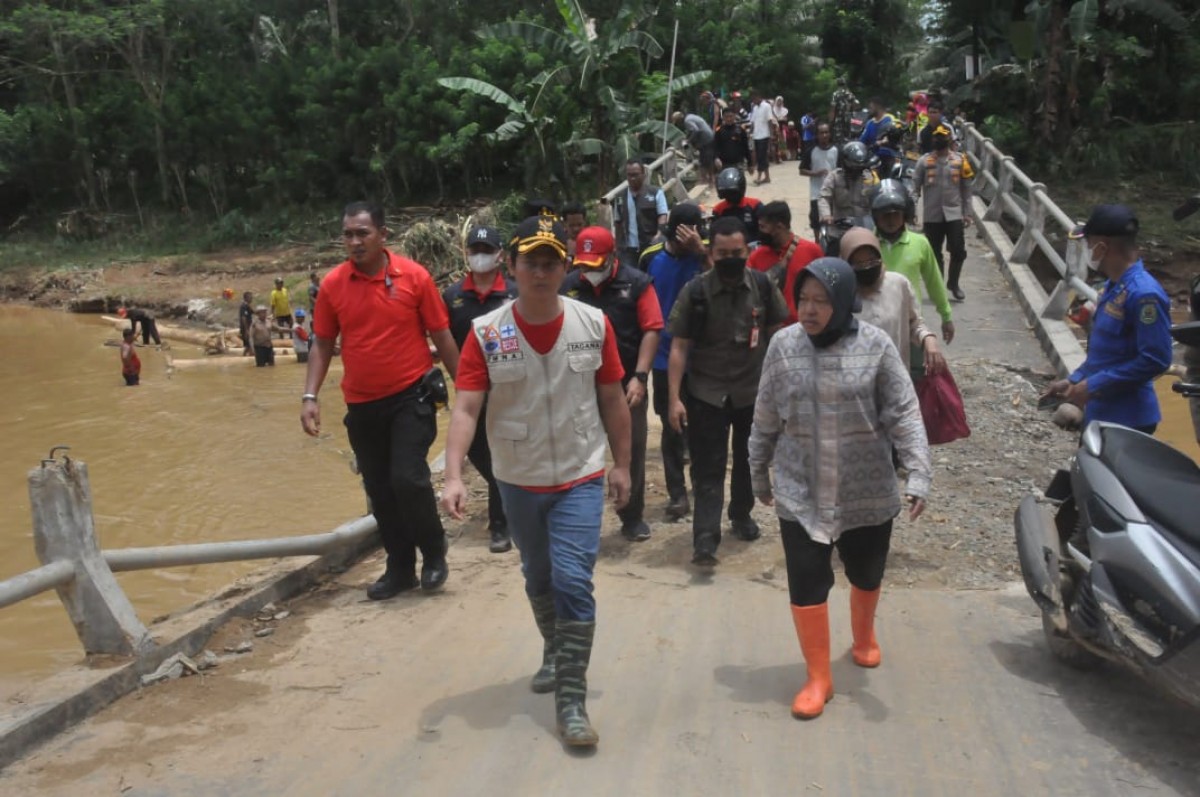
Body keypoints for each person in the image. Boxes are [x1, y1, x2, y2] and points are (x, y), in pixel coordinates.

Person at [440, 215, 632, 749]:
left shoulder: (593, 324)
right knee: (538, 576)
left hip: (579, 473)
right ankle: (554, 648)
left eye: (551, 263)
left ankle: (571, 699)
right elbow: (466, 408)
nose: (542, 272)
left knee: (574, 581)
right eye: (532, 263)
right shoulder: (487, 333)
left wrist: (623, 465)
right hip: (518, 479)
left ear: (565, 268)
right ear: (513, 268)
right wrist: (454, 475)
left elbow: (614, 399)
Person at [748, 257, 931, 720]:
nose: (808, 310)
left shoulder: (877, 346)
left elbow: (904, 412)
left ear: (846, 301)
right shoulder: (782, 346)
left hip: (864, 488)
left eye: (821, 301)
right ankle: (818, 676)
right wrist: (756, 468)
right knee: (807, 581)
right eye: (803, 299)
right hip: (799, 489)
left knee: (866, 572)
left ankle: (864, 636)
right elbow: (766, 413)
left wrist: (918, 471)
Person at [302, 201, 460, 601]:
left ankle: (434, 552)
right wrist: (310, 396)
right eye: (348, 234)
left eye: (362, 233)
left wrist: (467, 391)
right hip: (362, 404)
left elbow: (441, 336)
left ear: (382, 235)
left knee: (408, 478)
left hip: (411, 396)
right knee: (380, 488)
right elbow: (322, 342)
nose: (354, 242)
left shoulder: (414, 277)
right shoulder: (334, 286)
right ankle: (400, 567)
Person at [667, 217, 790, 566]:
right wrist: (674, 399)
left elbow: (779, 339)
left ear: (747, 251)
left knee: (751, 461)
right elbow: (678, 347)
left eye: (737, 252)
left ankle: (741, 514)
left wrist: (782, 389)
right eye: (722, 253)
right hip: (707, 393)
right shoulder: (696, 291)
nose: (730, 259)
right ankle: (705, 538)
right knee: (708, 466)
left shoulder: (764, 287)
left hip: (754, 392)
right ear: (711, 251)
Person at [564, 225, 662, 541]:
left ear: (612, 256)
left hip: (625, 385)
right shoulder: (567, 287)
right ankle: (579, 516)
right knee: (579, 451)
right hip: (580, 383)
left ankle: (631, 515)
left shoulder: (637, 284)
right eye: (583, 265)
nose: (588, 272)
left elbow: (651, 329)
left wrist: (640, 377)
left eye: (595, 265)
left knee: (629, 449)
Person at [1042, 205, 1172, 434]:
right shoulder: (1114, 285)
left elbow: (1156, 359)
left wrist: (1094, 384)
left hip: (1128, 418)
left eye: (1088, 244)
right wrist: (1075, 380)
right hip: (1100, 410)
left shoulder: (1144, 295)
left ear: (1102, 247)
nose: (1087, 251)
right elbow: (1106, 353)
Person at [441, 224, 515, 554]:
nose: (480, 256)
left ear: (500, 255)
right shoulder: (452, 297)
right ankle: (508, 503)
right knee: (480, 453)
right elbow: (441, 339)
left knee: (504, 454)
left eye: (487, 250)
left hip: (510, 389)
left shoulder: (514, 295)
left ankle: (501, 524)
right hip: (469, 388)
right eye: (475, 250)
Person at [645, 203, 708, 521]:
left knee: (702, 426)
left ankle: (701, 485)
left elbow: (722, 281)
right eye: (693, 229)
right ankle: (677, 494)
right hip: (662, 357)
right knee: (672, 430)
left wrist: (701, 252)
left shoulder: (704, 255)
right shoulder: (651, 258)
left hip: (700, 357)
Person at [839, 227, 946, 376]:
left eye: (871, 261)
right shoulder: (839, 293)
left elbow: (914, 323)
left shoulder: (898, 284)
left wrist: (928, 338)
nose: (866, 268)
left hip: (896, 379)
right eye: (858, 263)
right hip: (855, 383)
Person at [871, 185, 955, 365]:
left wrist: (946, 316)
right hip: (874, 325)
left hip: (911, 325)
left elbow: (934, 282)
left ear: (905, 215)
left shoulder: (920, 243)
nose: (890, 220)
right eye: (884, 214)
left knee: (914, 378)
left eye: (895, 214)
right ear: (875, 216)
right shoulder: (866, 245)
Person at [912, 124, 975, 301]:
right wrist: (912, 209)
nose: (939, 141)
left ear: (949, 141)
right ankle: (938, 285)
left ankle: (953, 283)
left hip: (954, 213)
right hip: (932, 214)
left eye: (942, 138)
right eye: (936, 138)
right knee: (934, 252)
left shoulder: (960, 160)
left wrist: (967, 213)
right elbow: (915, 187)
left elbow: (967, 189)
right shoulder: (923, 161)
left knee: (958, 250)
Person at [749, 201, 825, 324]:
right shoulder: (756, 257)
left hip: (805, 326)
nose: (760, 231)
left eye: (763, 227)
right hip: (770, 329)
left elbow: (828, 284)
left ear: (779, 227)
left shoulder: (812, 251)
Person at [611, 160, 668, 271]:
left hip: (650, 245)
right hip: (628, 249)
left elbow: (663, 216)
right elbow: (618, 222)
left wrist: (659, 234)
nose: (632, 178)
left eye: (635, 175)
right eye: (629, 175)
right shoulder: (619, 197)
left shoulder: (656, 193)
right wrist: (617, 246)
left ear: (643, 174)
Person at [819, 140, 879, 230]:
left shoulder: (870, 178)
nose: (857, 170)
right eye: (854, 167)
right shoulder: (834, 176)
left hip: (865, 228)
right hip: (840, 228)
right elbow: (824, 197)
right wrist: (826, 215)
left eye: (860, 167)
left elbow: (879, 196)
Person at [801, 123, 838, 238]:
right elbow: (802, 170)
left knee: (834, 219)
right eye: (821, 133)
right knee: (815, 220)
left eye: (826, 132)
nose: (824, 135)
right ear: (817, 135)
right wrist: (815, 173)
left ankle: (832, 240)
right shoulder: (811, 151)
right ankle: (817, 242)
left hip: (833, 192)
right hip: (816, 192)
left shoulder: (836, 150)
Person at [712, 167, 762, 245]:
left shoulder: (755, 205)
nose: (730, 197)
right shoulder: (718, 210)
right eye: (727, 194)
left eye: (732, 193)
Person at [673, 111, 716, 190]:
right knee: (707, 159)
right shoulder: (690, 116)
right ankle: (708, 179)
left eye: (678, 121)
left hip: (705, 139)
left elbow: (695, 130)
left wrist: (688, 140)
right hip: (709, 137)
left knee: (705, 160)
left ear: (679, 119)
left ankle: (707, 180)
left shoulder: (687, 121)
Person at [714, 107, 752, 171]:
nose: (729, 119)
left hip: (739, 164)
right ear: (723, 117)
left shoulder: (740, 130)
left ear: (734, 116)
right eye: (726, 117)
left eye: (731, 116)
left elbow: (746, 147)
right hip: (724, 165)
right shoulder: (719, 131)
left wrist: (750, 164)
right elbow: (715, 147)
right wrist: (716, 158)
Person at [749, 90, 775, 185]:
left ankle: (759, 177)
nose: (753, 101)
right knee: (763, 157)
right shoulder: (755, 108)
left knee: (761, 157)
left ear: (758, 96)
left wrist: (771, 135)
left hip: (764, 135)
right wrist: (750, 132)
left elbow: (770, 121)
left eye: (754, 98)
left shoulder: (766, 106)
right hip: (757, 135)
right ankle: (767, 177)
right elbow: (753, 121)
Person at [829, 77, 861, 145]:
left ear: (838, 84)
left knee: (838, 140)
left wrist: (831, 122)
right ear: (844, 84)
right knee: (848, 139)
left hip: (838, 120)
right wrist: (851, 111)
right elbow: (857, 104)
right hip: (848, 119)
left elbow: (833, 109)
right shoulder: (850, 94)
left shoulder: (836, 94)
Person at [238, 291, 255, 356]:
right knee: (249, 345)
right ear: (246, 298)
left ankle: (246, 356)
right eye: (250, 297)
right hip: (246, 328)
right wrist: (246, 330)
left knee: (248, 345)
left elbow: (254, 312)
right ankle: (247, 357)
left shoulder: (247, 306)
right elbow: (243, 318)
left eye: (251, 297)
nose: (251, 299)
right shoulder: (243, 306)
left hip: (249, 327)